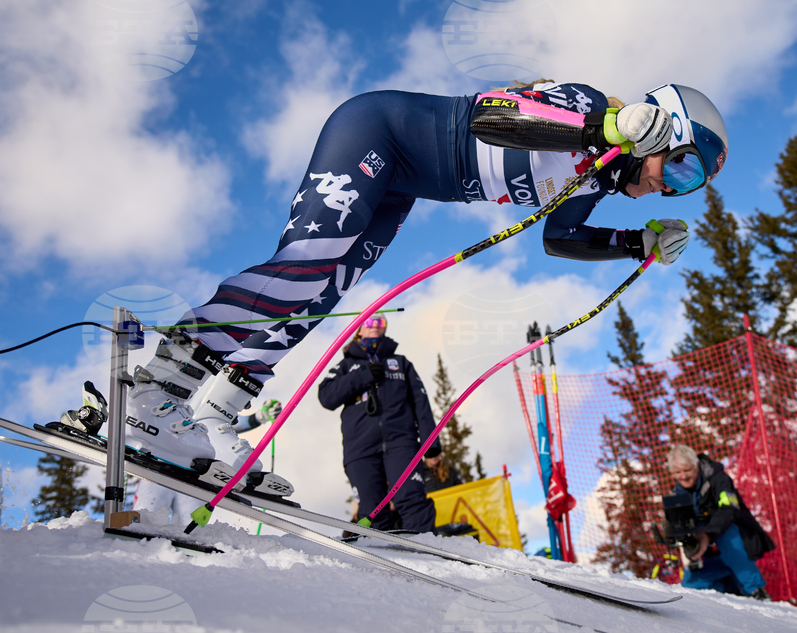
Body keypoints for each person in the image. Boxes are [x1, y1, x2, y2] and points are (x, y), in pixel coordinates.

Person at [123, 80, 729, 491]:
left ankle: (214, 415)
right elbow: (494, 115)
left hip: (403, 185)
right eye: (678, 166)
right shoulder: (591, 107)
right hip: (375, 131)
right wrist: (606, 123)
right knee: (306, 264)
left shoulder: (596, 181)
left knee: (324, 294)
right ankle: (153, 392)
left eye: (688, 185)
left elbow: (557, 239)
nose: (670, 187)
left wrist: (635, 243)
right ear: (657, 128)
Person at [316, 313, 439, 533]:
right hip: (360, 448)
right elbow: (326, 397)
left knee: (411, 498)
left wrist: (432, 442)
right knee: (372, 509)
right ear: (358, 329)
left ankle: (427, 552)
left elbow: (421, 402)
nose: (375, 326)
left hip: (401, 442)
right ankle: (378, 556)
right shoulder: (346, 365)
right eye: (369, 322)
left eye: (381, 322)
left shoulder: (400, 363)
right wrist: (362, 375)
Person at [132, 399, 284, 521]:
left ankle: (189, 551)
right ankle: (137, 541)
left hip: (196, 471)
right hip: (161, 463)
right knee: (147, 515)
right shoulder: (171, 392)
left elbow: (217, 424)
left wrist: (257, 418)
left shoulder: (208, 396)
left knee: (190, 523)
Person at [665, 445, 774, 600]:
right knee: (692, 587)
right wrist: (675, 536)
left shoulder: (719, 479)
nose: (683, 476)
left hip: (739, 546)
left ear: (696, 465)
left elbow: (729, 510)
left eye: (687, 470)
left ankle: (755, 591)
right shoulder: (676, 496)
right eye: (678, 472)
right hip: (708, 555)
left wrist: (707, 535)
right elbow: (680, 528)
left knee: (728, 535)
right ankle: (729, 589)